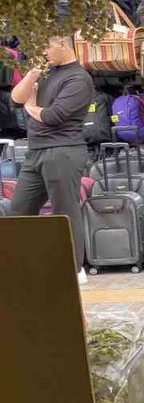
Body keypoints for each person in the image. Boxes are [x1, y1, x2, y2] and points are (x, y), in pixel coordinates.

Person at [9, 34, 93, 282]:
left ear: (63, 45)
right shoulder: (46, 72)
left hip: (64, 150)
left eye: (47, 46)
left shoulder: (78, 78)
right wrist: (32, 75)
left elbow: (53, 116)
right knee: (19, 210)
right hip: (36, 151)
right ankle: (23, 265)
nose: (43, 51)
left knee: (64, 211)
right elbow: (16, 99)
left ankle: (74, 269)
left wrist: (31, 107)